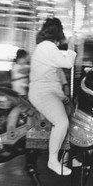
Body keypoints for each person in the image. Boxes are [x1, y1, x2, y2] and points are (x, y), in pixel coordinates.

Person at [28, 18, 76, 176]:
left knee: (73, 115)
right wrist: (71, 46)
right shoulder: (46, 47)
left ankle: (70, 153)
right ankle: (53, 160)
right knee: (61, 122)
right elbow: (68, 63)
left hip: (52, 90)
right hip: (42, 91)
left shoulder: (48, 47)